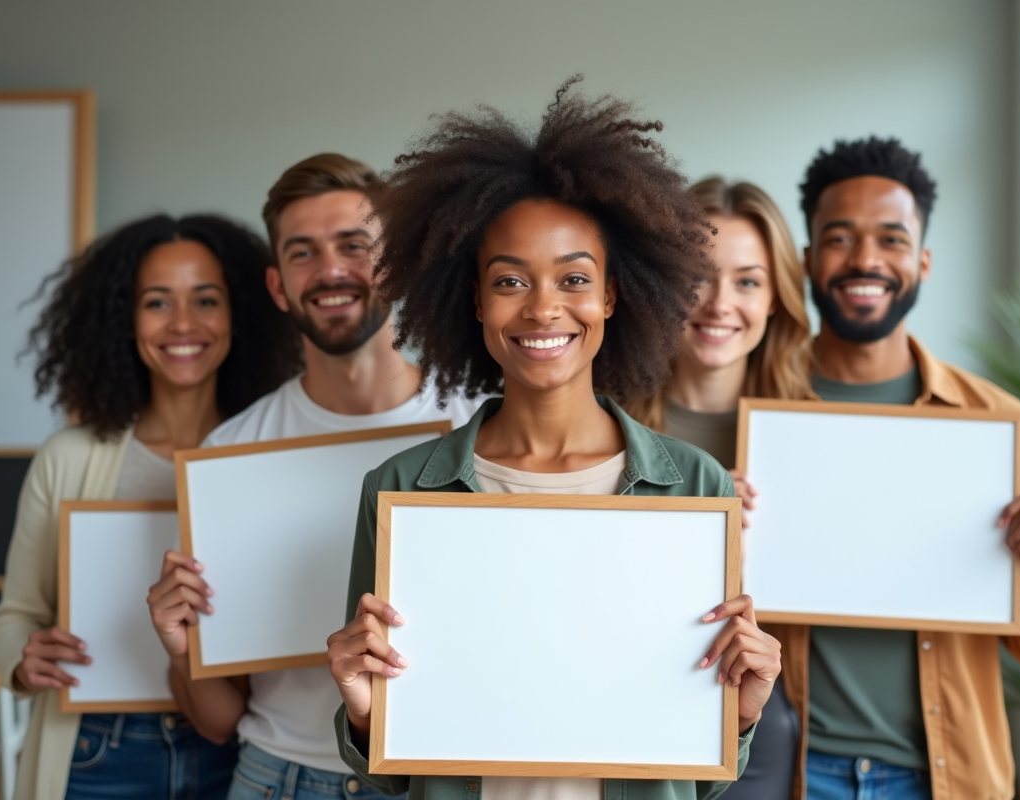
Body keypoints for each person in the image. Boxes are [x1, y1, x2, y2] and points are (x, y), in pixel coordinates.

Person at [325, 77, 782, 800]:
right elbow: (393, 768)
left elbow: (693, 775)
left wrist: (743, 711)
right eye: (510, 282)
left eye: (573, 278)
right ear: (474, 298)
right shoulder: (399, 491)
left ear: (611, 295)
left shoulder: (697, 488)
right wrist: (360, 714)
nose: (543, 309)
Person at [146, 154, 480, 800]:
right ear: (277, 287)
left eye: (354, 246)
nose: (330, 270)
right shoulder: (232, 452)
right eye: (304, 253)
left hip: (432, 779)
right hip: (277, 777)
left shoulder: (479, 425)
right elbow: (217, 721)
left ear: (397, 265)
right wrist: (179, 645)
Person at [770, 136, 1020, 800]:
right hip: (793, 773)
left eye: (891, 239)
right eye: (840, 238)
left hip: (946, 775)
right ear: (806, 258)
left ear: (923, 260)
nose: (865, 261)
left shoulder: (998, 424)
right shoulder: (756, 413)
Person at [0, 214, 302, 800]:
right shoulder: (67, 458)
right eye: (157, 303)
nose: (183, 323)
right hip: (94, 751)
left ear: (238, 313)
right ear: (124, 320)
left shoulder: (268, 457)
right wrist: (21, 659)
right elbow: (16, 616)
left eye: (205, 299)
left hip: (237, 751)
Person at [625, 176, 810, 800]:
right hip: (628, 710)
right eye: (700, 276)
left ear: (777, 298)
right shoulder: (600, 422)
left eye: (748, 281)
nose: (719, 302)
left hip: (759, 724)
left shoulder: (814, 435)